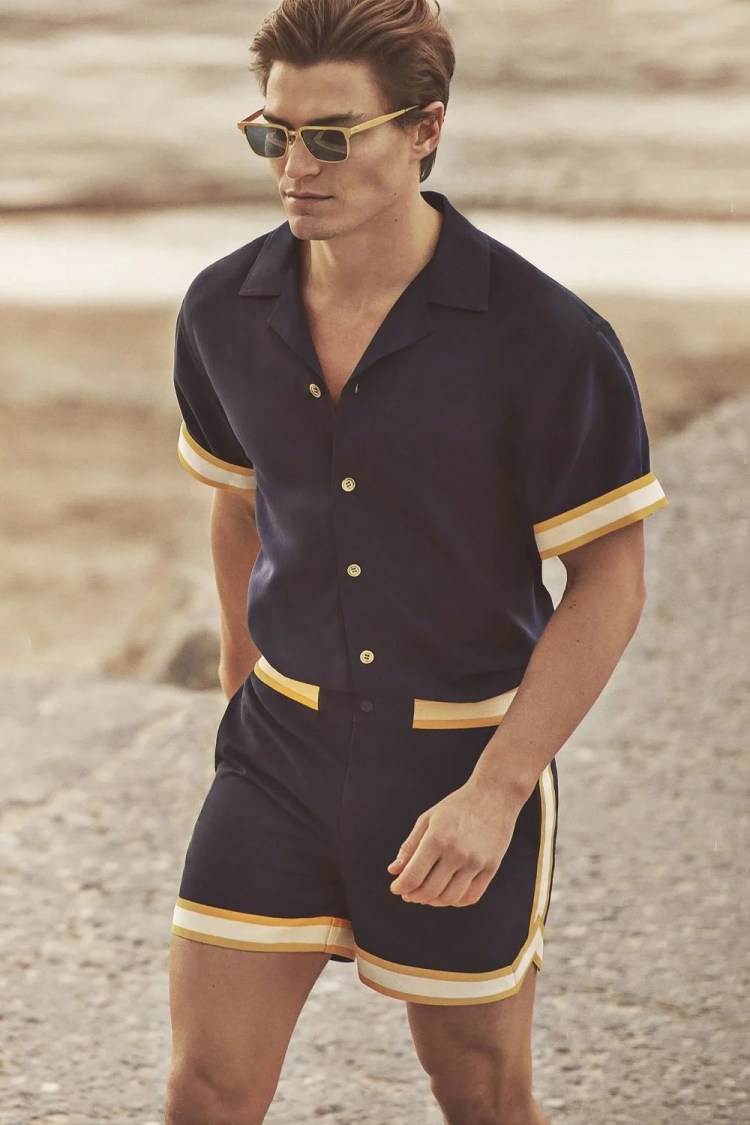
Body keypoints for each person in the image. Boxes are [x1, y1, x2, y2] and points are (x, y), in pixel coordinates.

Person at [164, 1, 668, 1121]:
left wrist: (496, 794)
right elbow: (239, 505)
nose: (296, 167)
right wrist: (241, 692)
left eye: (331, 137)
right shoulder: (222, 311)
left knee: (479, 1088)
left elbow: (610, 581)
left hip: (459, 760)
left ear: (425, 129)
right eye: (274, 134)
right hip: (278, 755)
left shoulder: (546, 340)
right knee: (206, 1087)